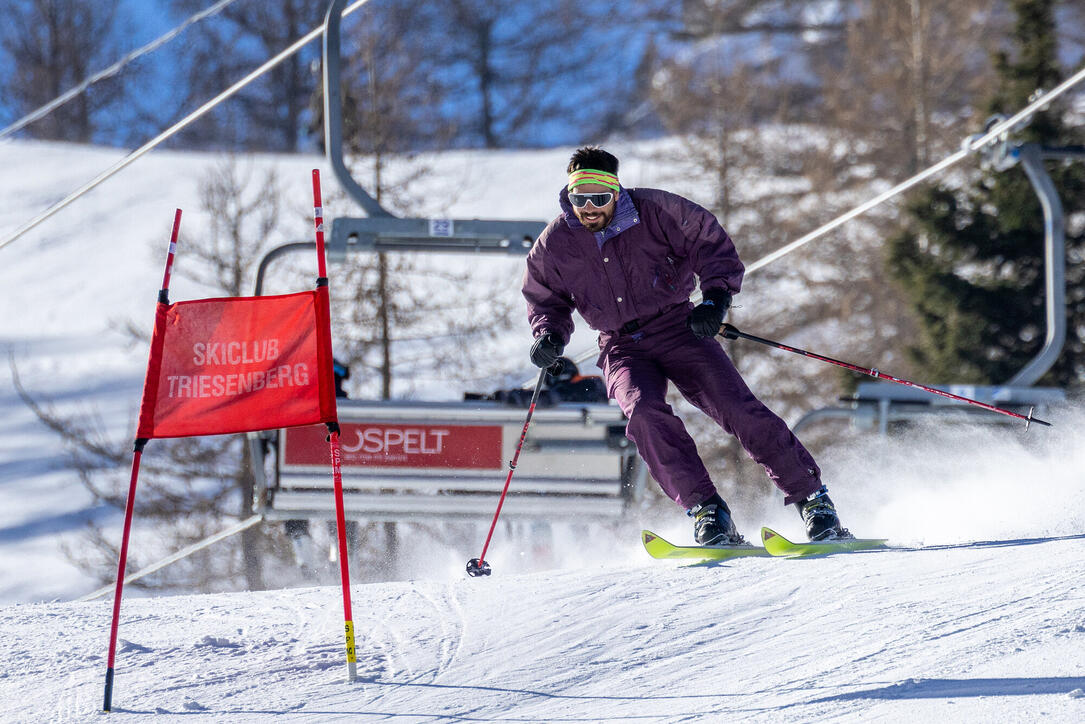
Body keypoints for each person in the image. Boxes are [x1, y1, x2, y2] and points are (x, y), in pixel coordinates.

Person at [521, 146, 849, 544]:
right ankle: (708, 512)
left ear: (616, 192)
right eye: (579, 199)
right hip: (621, 346)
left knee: (736, 408)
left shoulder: (656, 211)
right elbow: (545, 299)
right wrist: (549, 334)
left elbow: (710, 244)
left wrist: (715, 299)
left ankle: (813, 500)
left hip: (679, 327)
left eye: (599, 198)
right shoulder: (555, 243)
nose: (589, 208)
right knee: (642, 414)